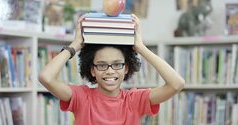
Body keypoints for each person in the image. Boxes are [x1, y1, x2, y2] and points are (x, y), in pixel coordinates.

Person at [39, 14, 185, 125]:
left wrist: (141, 48)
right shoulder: (81, 97)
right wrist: (75, 45)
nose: (110, 71)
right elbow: (46, 77)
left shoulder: (134, 100)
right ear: (92, 70)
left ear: (126, 68)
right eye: (102, 65)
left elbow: (176, 84)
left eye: (117, 64)